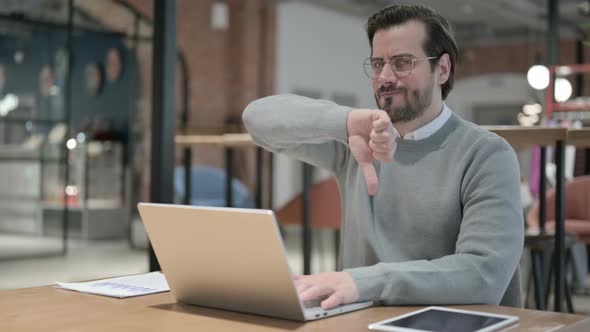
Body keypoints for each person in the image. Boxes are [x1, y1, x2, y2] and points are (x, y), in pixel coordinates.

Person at [242, 4, 523, 309]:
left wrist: (363, 283)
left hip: (447, 322)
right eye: (377, 64)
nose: (385, 77)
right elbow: (257, 120)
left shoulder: (487, 154)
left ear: (442, 69)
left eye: (402, 62)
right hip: (359, 319)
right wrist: (347, 122)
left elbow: (483, 276)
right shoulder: (356, 142)